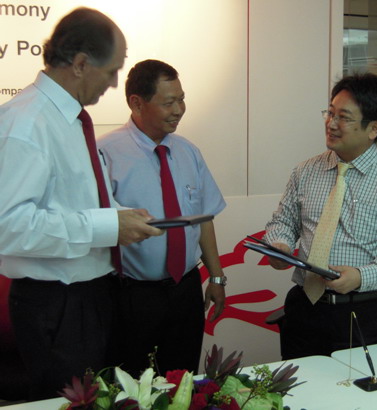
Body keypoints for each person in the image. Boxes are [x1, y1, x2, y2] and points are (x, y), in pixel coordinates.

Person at [0, 8, 162, 399]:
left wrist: (122, 217)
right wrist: (106, 227)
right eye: (112, 70)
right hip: (56, 305)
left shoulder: (68, 119)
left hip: (87, 297)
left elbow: (74, 199)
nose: (115, 83)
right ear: (80, 64)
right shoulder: (27, 122)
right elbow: (9, 226)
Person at [264, 72, 377, 359]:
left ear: (373, 128)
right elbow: (284, 221)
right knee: (300, 383)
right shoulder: (305, 171)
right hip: (304, 307)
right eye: (330, 113)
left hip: (362, 311)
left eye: (344, 117)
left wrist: (362, 276)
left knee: (356, 387)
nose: (331, 124)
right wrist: (280, 245)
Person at [98, 59, 226, 376]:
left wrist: (216, 276)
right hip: (131, 295)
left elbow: (203, 218)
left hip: (185, 290)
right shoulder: (106, 153)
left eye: (181, 99)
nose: (179, 110)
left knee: (183, 381)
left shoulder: (188, 152)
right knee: (132, 385)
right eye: (168, 102)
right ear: (137, 103)